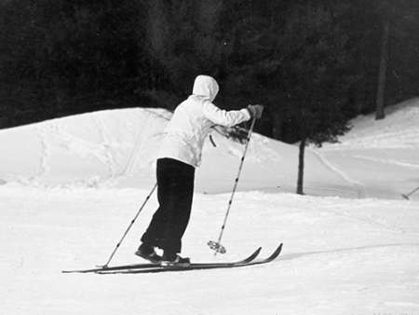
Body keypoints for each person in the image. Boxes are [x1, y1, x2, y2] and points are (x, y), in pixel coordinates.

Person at [135, 75, 263, 265]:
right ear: (211, 91)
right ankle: (170, 255)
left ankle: (147, 246)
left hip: (165, 158)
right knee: (180, 207)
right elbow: (226, 119)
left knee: (167, 205)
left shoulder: (184, 106)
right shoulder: (203, 105)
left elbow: (204, 124)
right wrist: (249, 112)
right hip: (182, 160)